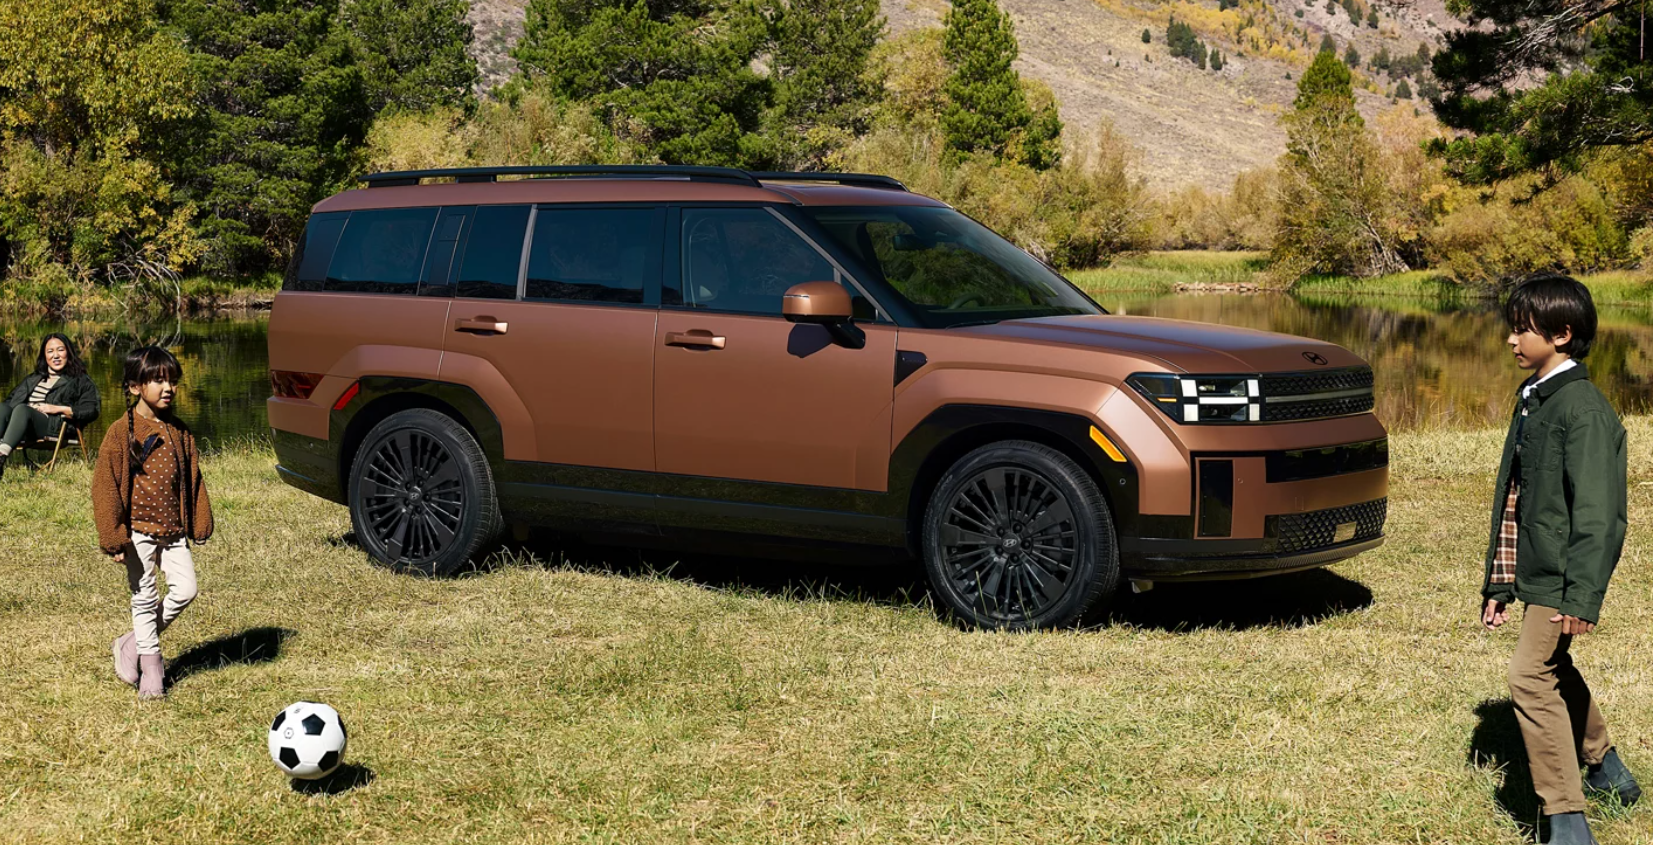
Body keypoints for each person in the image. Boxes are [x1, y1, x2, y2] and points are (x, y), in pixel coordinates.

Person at [1481, 274, 1641, 844]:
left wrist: (1581, 596)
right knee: (1552, 667)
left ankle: (1567, 822)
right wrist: (1499, 583)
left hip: (1565, 575)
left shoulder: (1583, 410)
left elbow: (1600, 517)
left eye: (1523, 329)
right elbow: (1517, 499)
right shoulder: (1536, 399)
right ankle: (1608, 771)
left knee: (1528, 677)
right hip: (1540, 566)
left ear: (1563, 333)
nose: (1511, 340)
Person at [92, 346, 213, 701]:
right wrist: (114, 537)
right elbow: (105, 485)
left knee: (186, 590)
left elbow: (193, 478)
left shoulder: (180, 431)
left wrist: (199, 520)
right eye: (158, 380)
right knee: (144, 597)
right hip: (138, 533)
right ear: (134, 386)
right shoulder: (120, 432)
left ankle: (129, 644)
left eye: (172, 380)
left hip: (173, 532)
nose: (168, 388)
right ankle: (152, 667)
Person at [0, 333, 100, 479]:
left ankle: (1, 456)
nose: (56, 356)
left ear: (69, 352)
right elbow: (10, 402)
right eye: (50, 351)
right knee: (2, 407)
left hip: (53, 425)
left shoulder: (80, 380)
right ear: (44, 356)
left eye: (60, 350)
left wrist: (58, 408)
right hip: (21, 424)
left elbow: (92, 410)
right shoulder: (33, 378)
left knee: (22, 410)